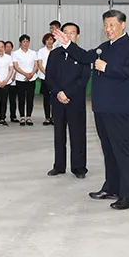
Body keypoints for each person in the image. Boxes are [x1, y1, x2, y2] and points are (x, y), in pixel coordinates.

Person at [54, 10, 129, 211]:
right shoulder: (104, 47)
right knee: (108, 150)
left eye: (112, 25)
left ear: (122, 25)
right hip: (101, 108)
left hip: (118, 109)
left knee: (123, 151)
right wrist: (67, 44)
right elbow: (85, 56)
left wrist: (106, 67)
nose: (108, 29)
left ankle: (128, 196)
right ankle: (111, 187)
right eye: (105, 25)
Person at [45, 23, 90, 179]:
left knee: (78, 134)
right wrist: (58, 92)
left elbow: (83, 79)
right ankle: (59, 166)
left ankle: (79, 168)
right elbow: (49, 77)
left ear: (77, 36)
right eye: (66, 32)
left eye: (72, 33)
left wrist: (67, 93)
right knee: (59, 134)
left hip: (75, 100)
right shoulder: (54, 54)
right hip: (57, 100)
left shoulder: (83, 55)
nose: (69, 35)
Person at [13, 35, 38, 126]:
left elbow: (36, 65)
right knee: (21, 98)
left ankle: (29, 116)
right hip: (20, 79)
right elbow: (16, 66)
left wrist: (31, 74)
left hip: (32, 79)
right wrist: (25, 74)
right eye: (24, 41)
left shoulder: (33, 53)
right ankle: (22, 117)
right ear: (20, 42)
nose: (26, 43)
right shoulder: (16, 53)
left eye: (27, 41)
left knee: (30, 98)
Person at [37, 33, 55, 126]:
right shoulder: (41, 51)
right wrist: (47, 74)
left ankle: (54, 117)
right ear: (44, 41)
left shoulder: (57, 50)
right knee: (46, 98)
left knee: (55, 98)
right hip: (44, 77)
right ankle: (47, 118)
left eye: (51, 39)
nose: (49, 41)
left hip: (55, 79)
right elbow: (40, 64)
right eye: (47, 40)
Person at [4, 41, 17, 123]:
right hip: (4, 82)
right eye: (6, 47)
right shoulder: (2, 56)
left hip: (13, 81)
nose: (8, 48)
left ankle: (13, 116)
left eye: (10, 47)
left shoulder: (14, 56)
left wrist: (14, 76)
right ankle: (3, 117)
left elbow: (16, 67)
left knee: (13, 100)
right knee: (4, 100)